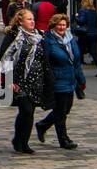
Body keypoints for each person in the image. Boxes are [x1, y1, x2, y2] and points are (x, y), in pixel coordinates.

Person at [0, 9, 53, 154]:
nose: (32, 21)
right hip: (19, 80)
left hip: (36, 80)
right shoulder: (13, 36)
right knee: (26, 110)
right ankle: (18, 140)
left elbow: (44, 59)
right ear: (20, 21)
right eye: (29, 19)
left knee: (30, 113)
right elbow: (5, 57)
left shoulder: (40, 36)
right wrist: (8, 80)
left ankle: (24, 142)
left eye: (33, 19)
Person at [35, 13, 85, 150]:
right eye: (59, 25)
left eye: (64, 25)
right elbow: (44, 61)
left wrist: (81, 79)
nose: (62, 27)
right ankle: (64, 140)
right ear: (54, 25)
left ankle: (42, 125)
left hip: (70, 79)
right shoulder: (48, 40)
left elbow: (76, 61)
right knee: (61, 112)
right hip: (57, 80)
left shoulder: (70, 39)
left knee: (65, 109)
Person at [73, 0, 97, 77]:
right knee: (94, 52)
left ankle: (77, 70)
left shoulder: (83, 11)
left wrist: (76, 17)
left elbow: (81, 21)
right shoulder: (94, 11)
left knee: (79, 52)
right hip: (94, 34)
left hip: (85, 34)